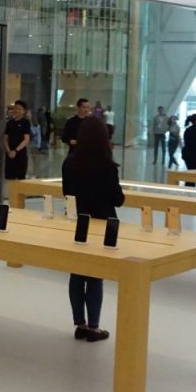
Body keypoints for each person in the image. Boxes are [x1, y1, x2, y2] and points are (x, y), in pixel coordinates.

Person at [61, 117, 122, 342]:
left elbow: (66, 193)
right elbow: (118, 199)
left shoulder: (69, 163)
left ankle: (80, 324)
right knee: (95, 276)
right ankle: (94, 327)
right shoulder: (107, 165)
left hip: (78, 222)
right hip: (103, 224)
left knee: (76, 273)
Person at [3, 100, 32, 182]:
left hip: (20, 153)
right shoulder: (10, 123)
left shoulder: (25, 122)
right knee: (10, 178)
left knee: (20, 178)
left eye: (19, 109)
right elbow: (5, 138)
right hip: (9, 153)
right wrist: (9, 151)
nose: (16, 110)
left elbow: (26, 139)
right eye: (15, 108)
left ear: (24, 111)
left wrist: (15, 150)